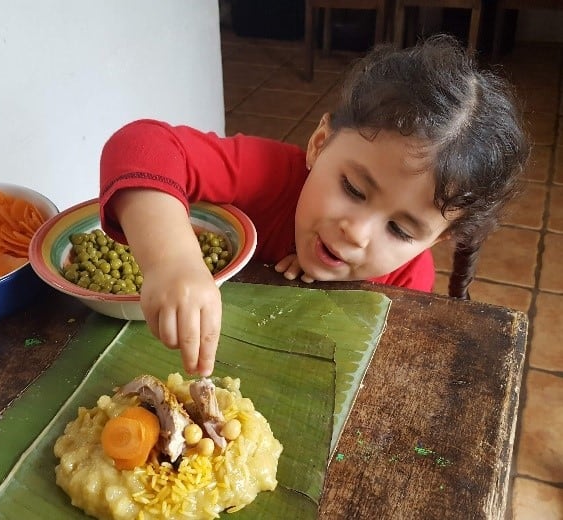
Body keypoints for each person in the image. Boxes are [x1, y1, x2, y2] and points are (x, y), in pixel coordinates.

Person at [98, 34, 529, 377]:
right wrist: (172, 260)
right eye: (354, 189)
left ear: (438, 239)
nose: (356, 232)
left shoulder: (407, 282)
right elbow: (142, 144)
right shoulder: (269, 174)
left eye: (399, 230)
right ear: (320, 144)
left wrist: (335, 293)